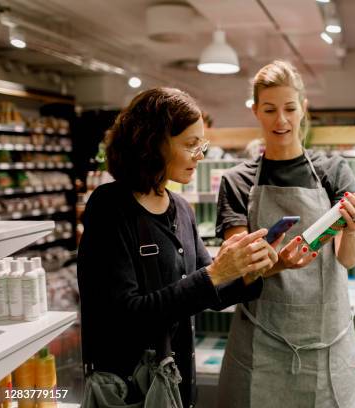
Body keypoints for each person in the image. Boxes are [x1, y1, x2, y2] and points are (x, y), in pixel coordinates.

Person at [77, 88, 282, 408]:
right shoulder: (109, 208)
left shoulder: (181, 208)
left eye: (202, 144)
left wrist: (259, 266)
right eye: (190, 144)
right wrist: (216, 272)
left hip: (176, 384)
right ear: (151, 143)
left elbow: (215, 292)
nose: (200, 154)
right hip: (130, 391)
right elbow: (126, 315)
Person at [216, 60, 355, 407]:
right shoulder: (237, 182)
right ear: (256, 111)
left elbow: (347, 260)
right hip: (259, 348)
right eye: (270, 109)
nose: (281, 120)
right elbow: (236, 273)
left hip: (327, 347)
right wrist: (279, 265)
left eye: (289, 108)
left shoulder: (334, 171)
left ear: (303, 108)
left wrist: (354, 227)